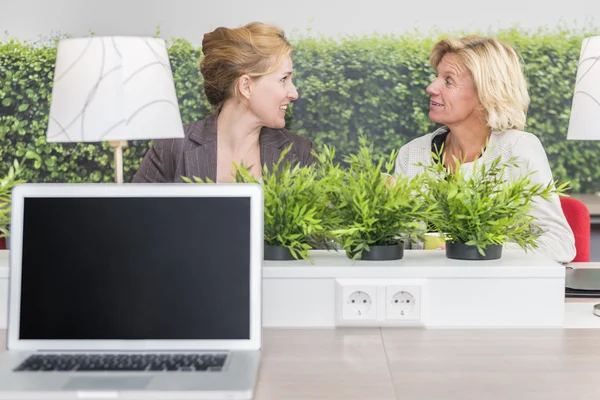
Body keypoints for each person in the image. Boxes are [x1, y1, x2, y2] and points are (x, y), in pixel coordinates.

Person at [395, 36, 576, 263]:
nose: (430, 88)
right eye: (437, 77)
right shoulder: (412, 153)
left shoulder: (517, 149)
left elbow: (559, 243)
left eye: (448, 81)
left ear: (485, 94)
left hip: (496, 291)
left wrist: (482, 250)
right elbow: (396, 245)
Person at [133, 22, 315, 184]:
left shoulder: (301, 154)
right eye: (284, 79)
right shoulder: (172, 148)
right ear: (246, 86)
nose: (294, 93)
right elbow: (134, 217)